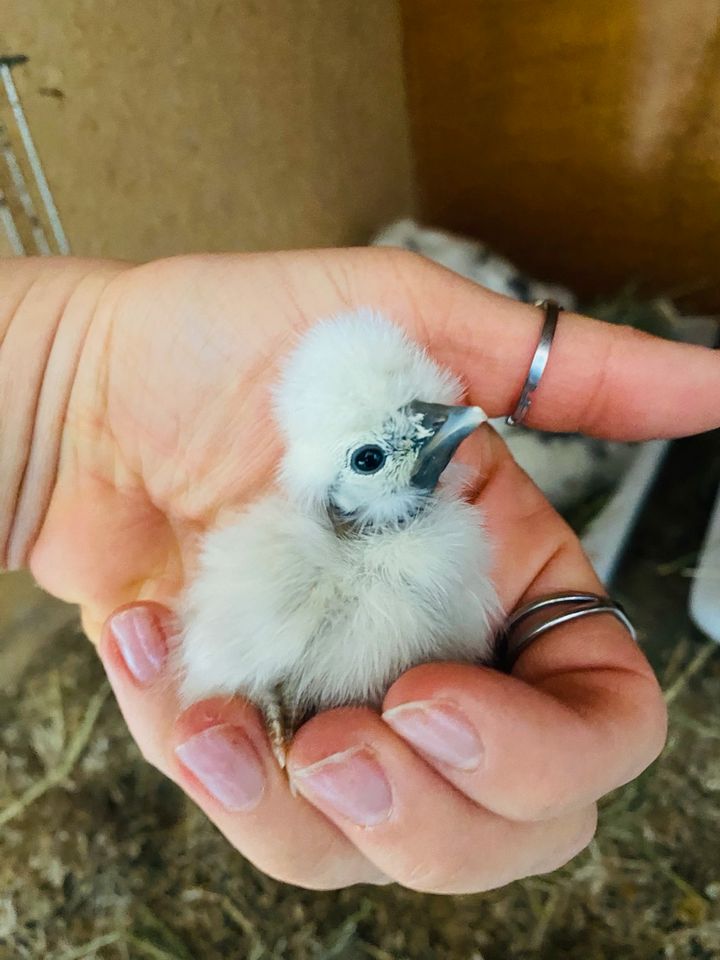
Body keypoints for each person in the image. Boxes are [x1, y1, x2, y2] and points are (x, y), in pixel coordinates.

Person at [1, 249, 718, 892]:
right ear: (331, 489)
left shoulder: (447, 542)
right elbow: (231, 660)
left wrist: (53, 362)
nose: (433, 437)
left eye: (425, 417)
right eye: (373, 458)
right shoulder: (291, 561)